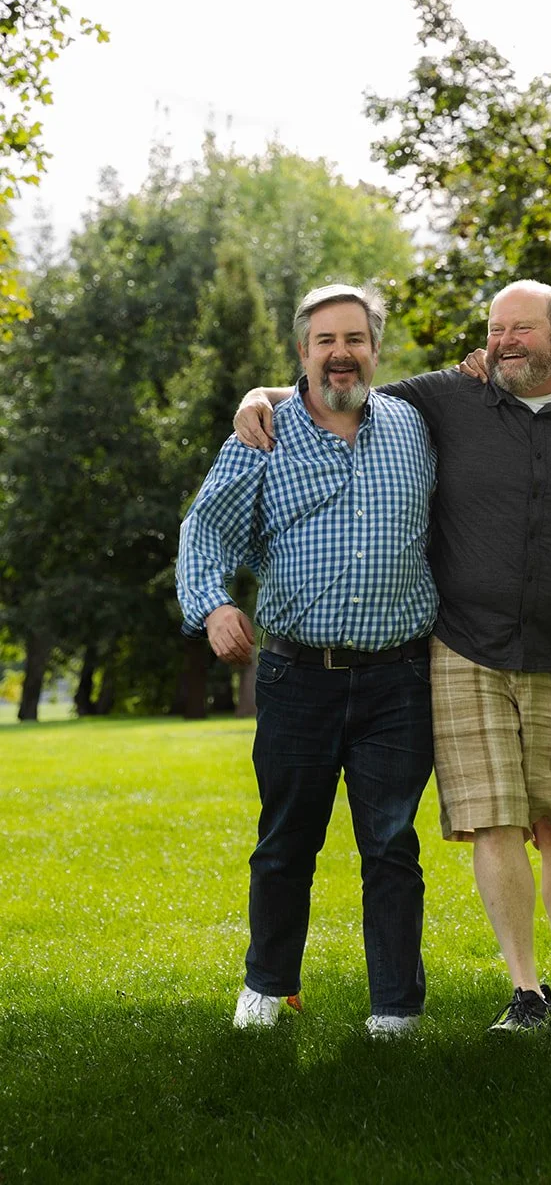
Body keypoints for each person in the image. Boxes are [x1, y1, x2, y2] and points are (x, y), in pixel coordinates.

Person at [234, 281, 551, 1031]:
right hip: (464, 652)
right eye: (495, 330)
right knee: (489, 823)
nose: (506, 342)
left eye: (522, 329)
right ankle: (524, 993)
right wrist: (260, 393)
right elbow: (337, 383)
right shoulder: (449, 398)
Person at [177, 283, 438, 1036]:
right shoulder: (263, 433)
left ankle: (395, 1006)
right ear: (302, 352)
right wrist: (215, 605)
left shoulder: (415, 428)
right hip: (295, 674)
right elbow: (206, 531)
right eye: (324, 341)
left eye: (354, 338)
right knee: (286, 840)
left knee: (391, 846)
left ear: (375, 349)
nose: (340, 353)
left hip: (398, 676)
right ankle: (268, 985)